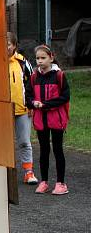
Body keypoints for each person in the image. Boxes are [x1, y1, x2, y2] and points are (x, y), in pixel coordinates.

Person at [31, 45, 71, 195]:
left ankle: (61, 183)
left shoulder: (59, 75)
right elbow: (28, 95)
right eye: (37, 58)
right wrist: (32, 103)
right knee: (43, 151)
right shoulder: (35, 77)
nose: (40, 61)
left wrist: (46, 105)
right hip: (41, 120)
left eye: (43, 58)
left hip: (56, 119)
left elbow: (65, 97)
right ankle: (44, 182)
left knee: (57, 149)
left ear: (51, 58)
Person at [7, 33, 37, 184]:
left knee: (24, 141)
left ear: (14, 46)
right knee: (2, 143)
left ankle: (28, 172)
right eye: (3, 44)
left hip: (22, 109)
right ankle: (2, 172)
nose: (6, 47)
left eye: (9, 44)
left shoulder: (23, 63)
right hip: (1, 111)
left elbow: (31, 84)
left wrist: (30, 104)